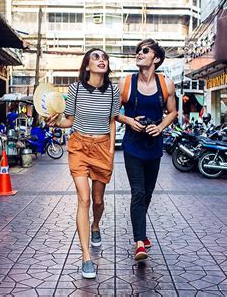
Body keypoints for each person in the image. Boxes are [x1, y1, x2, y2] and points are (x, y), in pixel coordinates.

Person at [47, 48, 120, 279]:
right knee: (84, 199)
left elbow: (112, 121)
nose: (102, 60)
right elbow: (69, 120)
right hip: (79, 146)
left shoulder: (113, 91)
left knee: (98, 200)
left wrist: (109, 151)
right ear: (87, 65)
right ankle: (86, 257)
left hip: (101, 148)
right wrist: (55, 122)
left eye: (105, 57)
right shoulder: (75, 88)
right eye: (96, 57)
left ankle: (96, 226)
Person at [116, 39, 178, 261]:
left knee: (148, 193)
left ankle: (140, 228)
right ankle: (139, 242)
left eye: (145, 51)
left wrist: (160, 127)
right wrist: (129, 121)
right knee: (138, 192)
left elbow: (172, 112)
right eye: (137, 51)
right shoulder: (126, 83)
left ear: (157, 58)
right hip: (133, 146)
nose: (139, 54)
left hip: (154, 148)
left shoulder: (166, 84)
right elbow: (113, 111)